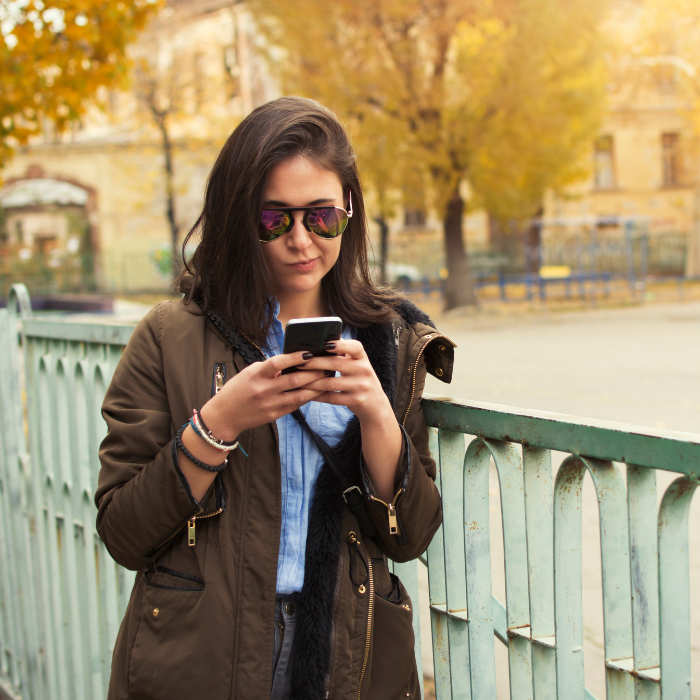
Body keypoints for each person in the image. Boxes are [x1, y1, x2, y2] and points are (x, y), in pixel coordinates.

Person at [95, 96, 455, 700]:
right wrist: (218, 424)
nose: (300, 240)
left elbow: (409, 538)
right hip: (202, 652)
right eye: (274, 219)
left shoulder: (387, 341)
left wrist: (375, 415)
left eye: (322, 217)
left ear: (348, 211)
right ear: (240, 219)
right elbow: (124, 533)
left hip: (350, 653)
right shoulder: (171, 335)